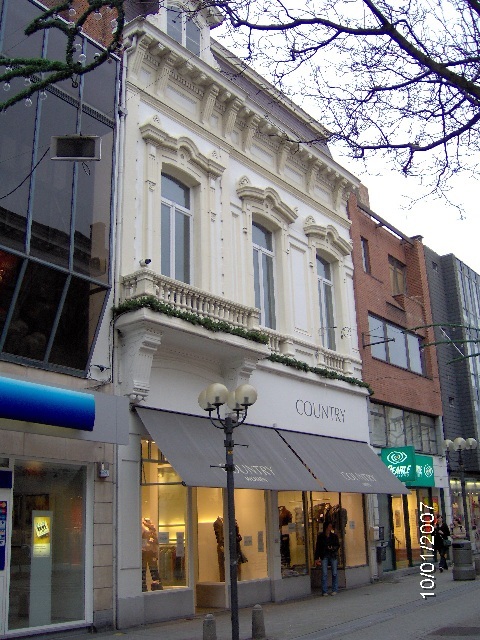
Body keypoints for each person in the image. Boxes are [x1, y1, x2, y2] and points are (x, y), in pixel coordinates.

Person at [314, 521, 340, 596]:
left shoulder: (334, 536)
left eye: (331, 527)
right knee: (324, 573)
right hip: (324, 555)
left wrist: (333, 548)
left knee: (334, 573)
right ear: (326, 527)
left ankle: (334, 589)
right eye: (329, 526)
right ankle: (324, 591)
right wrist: (316, 557)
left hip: (332, 555)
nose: (330, 528)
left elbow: (337, 545)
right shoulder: (321, 537)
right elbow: (318, 547)